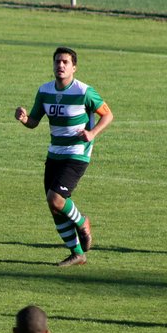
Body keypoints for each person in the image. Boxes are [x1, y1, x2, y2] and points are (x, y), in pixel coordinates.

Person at [15, 47, 113, 267]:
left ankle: (82, 222)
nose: (60, 65)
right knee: (55, 207)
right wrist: (23, 118)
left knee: (56, 199)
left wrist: (92, 133)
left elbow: (108, 115)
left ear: (74, 67)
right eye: (57, 61)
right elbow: (34, 122)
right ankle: (77, 254)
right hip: (54, 154)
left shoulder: (84, 91)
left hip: (77, 153)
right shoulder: (45, 91)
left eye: (65, 62)